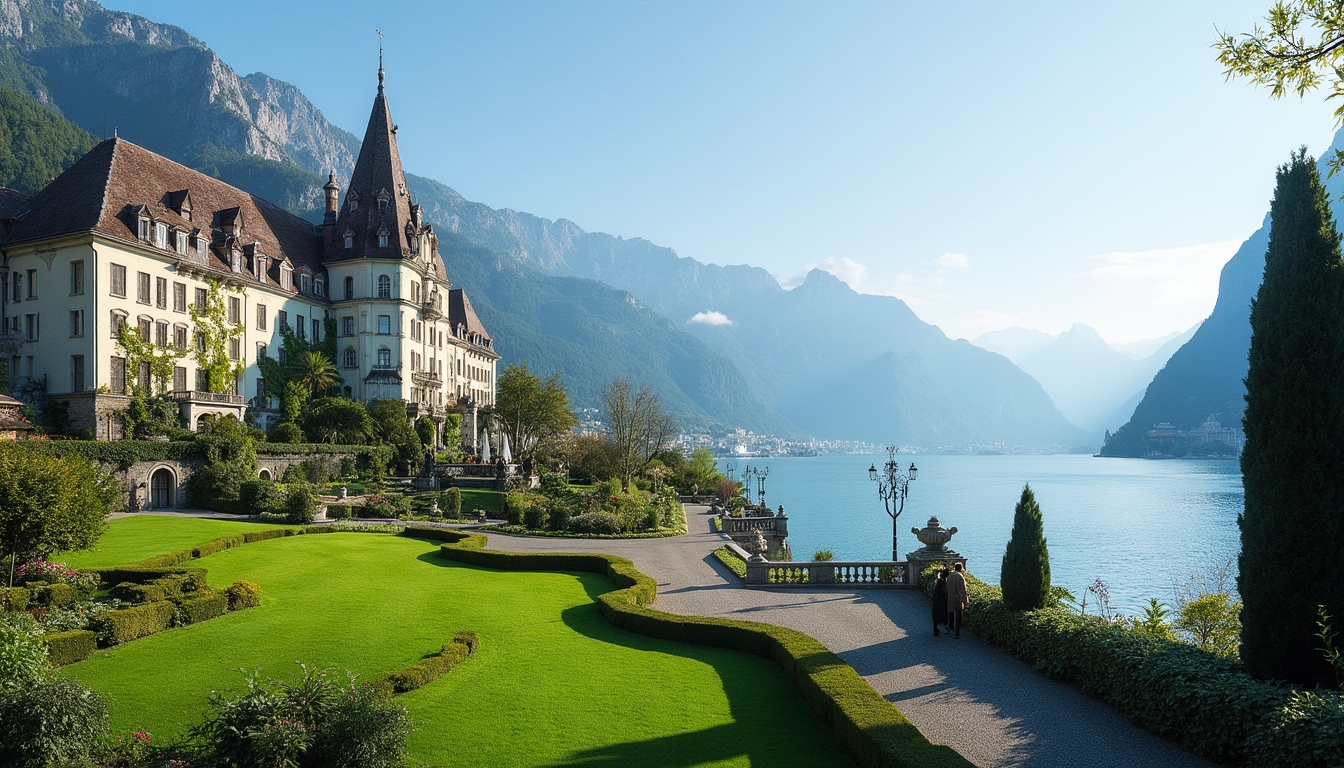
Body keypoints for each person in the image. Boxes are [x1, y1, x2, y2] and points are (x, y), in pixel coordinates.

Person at [946, 562, 968, 638]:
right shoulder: (960, 577)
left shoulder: (949, 575)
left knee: (950, 613)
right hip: (957, 599)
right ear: (961, 568)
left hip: (949, 597)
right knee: (958, 616)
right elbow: (962, 591)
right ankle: (957, 633)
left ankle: (950, 628)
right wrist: (965, 602)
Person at [931, 568, 949, 636]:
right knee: (944, 615)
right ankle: (945, 627)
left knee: (936, 615)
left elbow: (935, 592)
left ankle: (936, 629)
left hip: (937, 601)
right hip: (944, 601)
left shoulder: (939, 582)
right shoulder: (945, 582)